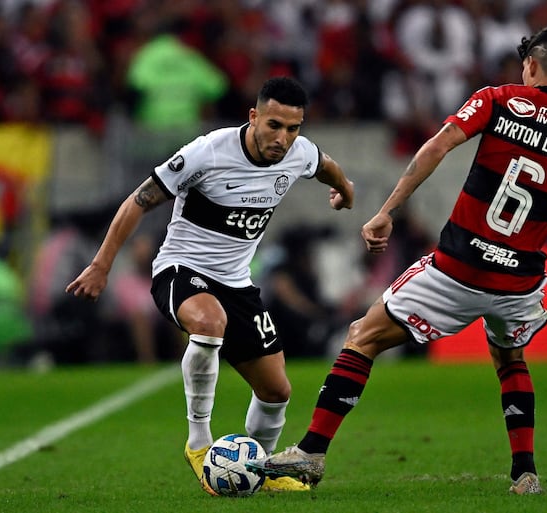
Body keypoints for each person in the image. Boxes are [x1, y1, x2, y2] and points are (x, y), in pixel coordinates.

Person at [245, 23, 547, 495]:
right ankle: (525, 473)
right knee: (509, 357)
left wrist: (387, 211)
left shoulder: (498, 99)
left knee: (362, 336)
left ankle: (312, 451)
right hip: (518, 283)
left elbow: (436, 147)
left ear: (531, 66)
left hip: (458, 267)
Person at [66, 76, 355, 494]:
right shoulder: (208, 151)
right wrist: (100, 265)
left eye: (293, 128)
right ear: (253, 116)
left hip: (237, 283)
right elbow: (138, 200)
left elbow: (327, 166)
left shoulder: (299, 154)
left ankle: (260, 470)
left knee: (276, 390)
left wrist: (344, 191)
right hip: (181, 270)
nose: (283, 137)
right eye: (274, 125)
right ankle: (199, 442)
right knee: (209, 322)